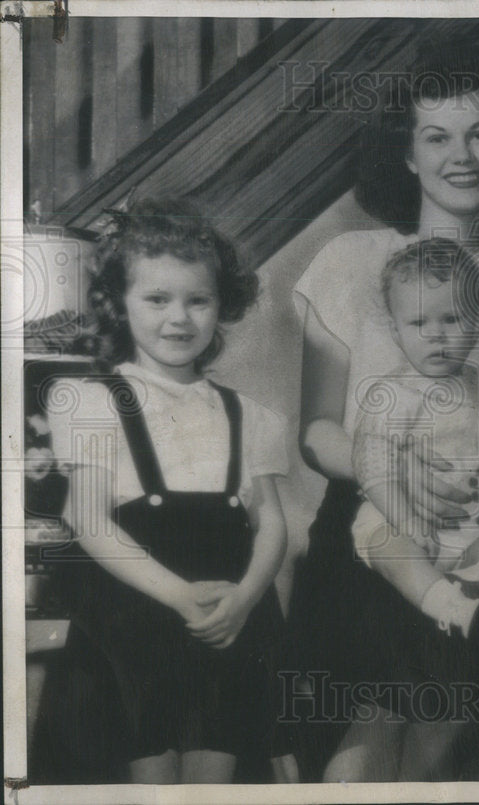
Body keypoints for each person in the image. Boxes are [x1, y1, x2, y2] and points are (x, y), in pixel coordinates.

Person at [290, 52, 479, 782]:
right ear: (407, 155)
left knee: (439, 743)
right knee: (357, 757)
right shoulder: (351, 262)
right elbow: (318, 429)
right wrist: (393, 468)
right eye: (437, 136)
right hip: (371, 531)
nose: (462, 155)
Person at [44, 198, 288, 784]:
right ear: (119, 306)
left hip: (229, 619)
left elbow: (273, 524)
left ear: (220, 305)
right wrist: (180, 597)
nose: (179, 318)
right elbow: (89, 518)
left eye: (197, 300)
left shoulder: (249, 414)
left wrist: (247, 599)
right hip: (134, 624)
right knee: (149, 782)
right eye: (157, 299)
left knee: (216, 780)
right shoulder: (88, 400)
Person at [352, 238, 479, 634]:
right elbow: (372, 468)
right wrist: (408, 522)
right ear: (396, 331)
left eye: (452, 320)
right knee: (388, 543)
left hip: (474, 523)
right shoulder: (391, 394)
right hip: (406, 517)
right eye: (419, 323)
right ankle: (450, 607)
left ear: (478, 322)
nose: (436, 334)